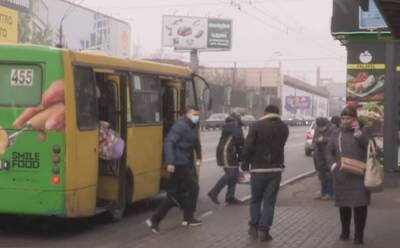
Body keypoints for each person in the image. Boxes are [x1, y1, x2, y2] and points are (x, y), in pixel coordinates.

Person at [146, 105, 202, 233]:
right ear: (187, 114)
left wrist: (199, 156)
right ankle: (188, 218)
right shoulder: (180, 125)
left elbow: (195, 142)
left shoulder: (193, 126)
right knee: (193, 187)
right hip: (178, 163)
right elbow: (169, 142)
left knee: (174, 195)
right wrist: (170, 162)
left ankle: (154, 220)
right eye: (194, 114)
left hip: (185, 162)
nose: (196, 117)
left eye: (198, 114)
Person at [242, 105, 289, 242]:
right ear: (277, 113)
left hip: (258, 169)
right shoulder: (284, 127)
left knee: (255, 199)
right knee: (269, 201)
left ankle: (253, 227)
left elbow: (248, 146)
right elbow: (280, 145)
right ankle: (264, 231)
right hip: (275, 169)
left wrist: (245, 163)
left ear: (265, 112)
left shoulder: (256, 125)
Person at [326, 107, 371, 245]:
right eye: (343, 118)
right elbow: (329, 151)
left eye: (348, 118)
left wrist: (359, 133)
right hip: (342, 176)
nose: (345, 121)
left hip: (359, 176)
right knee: (344, 207)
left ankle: (359, 236)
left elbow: (372, 147)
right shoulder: (336, 133)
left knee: (360, 207)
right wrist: (333, 165)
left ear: (354, 119)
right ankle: (345, 233)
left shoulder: (362, 133)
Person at [208, 107, 245, 205]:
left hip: (230, 151)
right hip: (226, 151)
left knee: (234, 174)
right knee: (231, 173)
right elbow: (239, 139)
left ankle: (230, 196)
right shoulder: (233, 123)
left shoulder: (234, 123)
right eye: (241, 114)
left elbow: (238, 142)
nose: (242, 116)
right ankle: (214, 192)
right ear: (237, 114)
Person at [313, 117, 334, 200]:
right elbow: (314, 140)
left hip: (329, 154)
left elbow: (334, 140)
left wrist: (324, 139)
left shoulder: (333, 128)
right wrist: (315, 147)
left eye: (322, 127)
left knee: (329, 174)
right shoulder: (317, 129)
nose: (320, 129)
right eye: (319, 127)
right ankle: (323, 192)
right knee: (321, 174)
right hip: (319, 155)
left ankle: (329, 193)